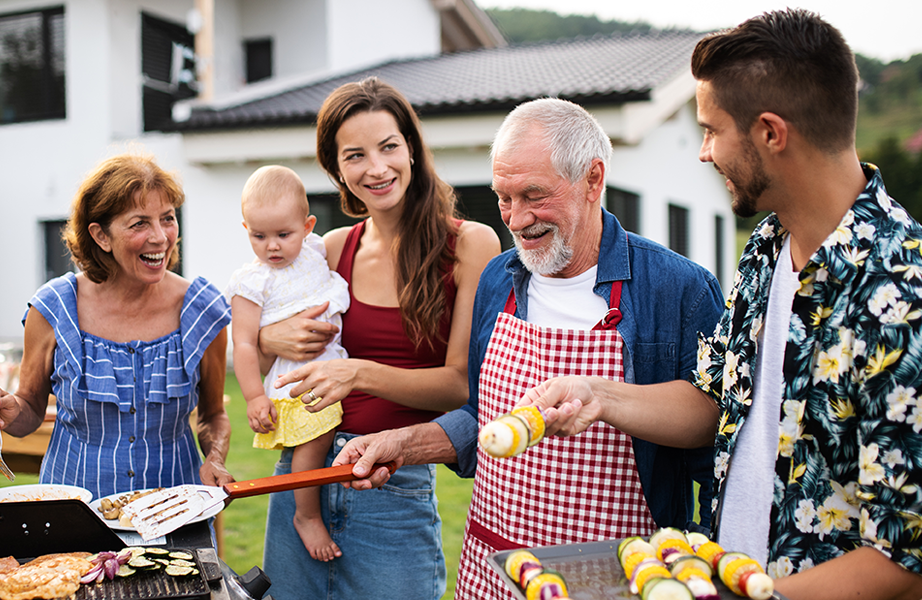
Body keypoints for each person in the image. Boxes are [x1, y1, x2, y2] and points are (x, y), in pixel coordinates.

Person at [512, 9, 922, 600]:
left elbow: (903, 556)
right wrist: (596, 395)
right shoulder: (767, 246)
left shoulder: (902, 289)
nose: (704, 153)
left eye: (711, 129)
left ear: (770, 133)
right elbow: (715, 406)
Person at [331, 97, 725, 599]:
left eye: (533, 195)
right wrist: (404, 445)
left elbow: (715, 426)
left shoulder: (677, 288)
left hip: (619, 575)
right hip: (498, 569)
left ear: (592, 179)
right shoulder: (499, 278)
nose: (516, 220)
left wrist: (601, 396)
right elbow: (484, 414)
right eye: (503, 198)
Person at [255, 77, 501, 599]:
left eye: (389, 146)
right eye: (355, 155)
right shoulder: (330, 247)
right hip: (303, 470)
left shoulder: (470, 244)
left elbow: (460, 385)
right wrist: (273, 336)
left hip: (392, 480)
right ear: (336, 168)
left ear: (410, 147)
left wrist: (358, 372)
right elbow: (262, 337)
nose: (377, 167)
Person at [0, 152, 233, 501]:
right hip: (74, 513)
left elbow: (213, 415)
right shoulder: (53, 307)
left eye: (167, 219)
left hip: (174, 511)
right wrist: (6, 410)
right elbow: (30, 409)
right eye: (139, 223)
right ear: (101, 236)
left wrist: (215, 456)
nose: (160, 237)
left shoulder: (202, 310)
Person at [225, 165, 350, 562]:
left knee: (323, 439)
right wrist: (254, 396)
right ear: (245, 228)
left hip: (333, 364)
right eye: (258, 236)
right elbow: (243, 343)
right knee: (312, 442)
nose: (272, 246)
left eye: (283, 234)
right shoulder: (252, 281)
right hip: (295, 379)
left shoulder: (315, 251)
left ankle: (309, 510)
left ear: (308, 226)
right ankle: (305, 514)